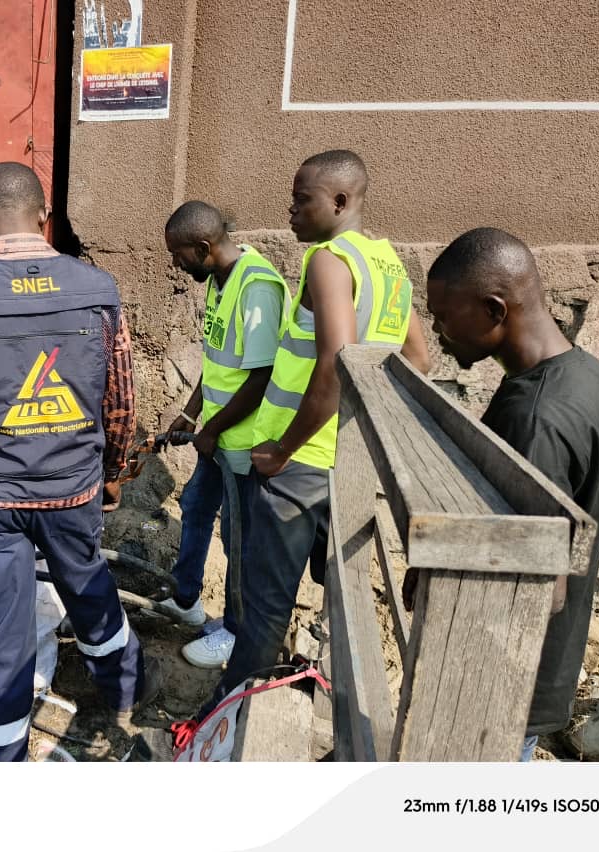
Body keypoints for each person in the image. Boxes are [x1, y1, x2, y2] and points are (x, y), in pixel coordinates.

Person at [0, 162, 158, 761]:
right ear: (45, 215)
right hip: (72, 491)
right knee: (89, 585)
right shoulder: (99, 291)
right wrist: (113, 473)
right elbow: (122, 400)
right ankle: (126, 690)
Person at [195, 149, 429, 720]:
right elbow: (418, 360)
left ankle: (231, 716)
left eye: (302, 199)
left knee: (263, 605)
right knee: (338, 595)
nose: (291, 210)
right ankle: (315, 697)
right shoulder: (388, 263)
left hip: (299, 466)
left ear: (339, 202)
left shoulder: (328, 260)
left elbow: (335, 360)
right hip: (347, 461)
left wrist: (284, 447)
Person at [423, 227, 599, 761]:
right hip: (527, 677)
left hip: (502, 688)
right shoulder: (583, 372)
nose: (435, 330)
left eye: (442, 315)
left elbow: (543, 588)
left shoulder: (538, 419)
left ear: (492, 310)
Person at [161, 201, 288, 668]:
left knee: (240, 538)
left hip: (241, 442)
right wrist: (191, 415)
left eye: (179, 256)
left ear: (203, 246)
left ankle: (235, 633)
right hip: (216, 436)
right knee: (195, 507)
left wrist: (211, 430)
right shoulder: (220, 281)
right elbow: (219, 361)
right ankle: (186, 598)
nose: (176, 265)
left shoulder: (257, 288)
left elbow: (261, 377)